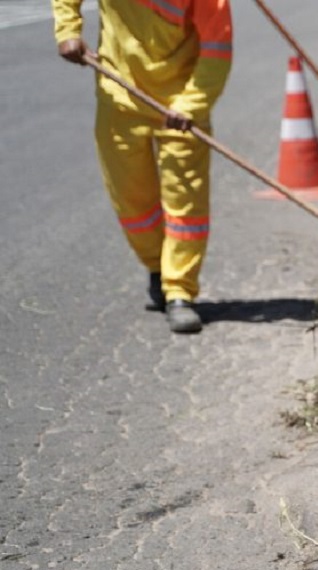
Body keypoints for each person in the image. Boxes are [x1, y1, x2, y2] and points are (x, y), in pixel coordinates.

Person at [54, 0, 233, 334]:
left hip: (179, 109)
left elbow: (216, 48)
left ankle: (180, 291)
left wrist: (191, 104)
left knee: (185, 202)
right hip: (119, 97)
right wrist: (68, 30)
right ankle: (156, 269)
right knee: (131, 199)